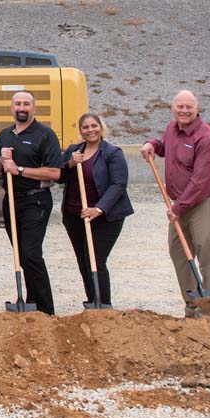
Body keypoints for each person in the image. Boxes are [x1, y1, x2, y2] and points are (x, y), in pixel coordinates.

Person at [141, 90, 210, 317]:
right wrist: (152, 144)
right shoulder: (172, 129)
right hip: (180, 205)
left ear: (197, 108)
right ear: (173, 108)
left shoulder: (208, 139)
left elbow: (201, 181)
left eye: (189, 107)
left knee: (207, 255)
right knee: (179, 253)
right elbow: (165, 146)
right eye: (180, 106)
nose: (184, 111)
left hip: (204, 204)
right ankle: (192, 306)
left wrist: (178, 208)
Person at [0, 91, 63, 315]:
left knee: (31, 254)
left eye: (26, 104)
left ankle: (46, 309)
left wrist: (19, 170)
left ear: (34, 108)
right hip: (11, 200)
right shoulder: (4, 135)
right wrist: (0, 162)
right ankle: (31, 301)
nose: (22, 108)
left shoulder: (45, 135)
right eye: (17, 104)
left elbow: (54, 172)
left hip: (36, 200)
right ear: (11, 108)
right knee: (21, 255)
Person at [60, 113, 133, 307]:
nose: (90, 130)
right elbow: (59, 175)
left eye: (94, 126)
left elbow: (118, 184)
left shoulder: (112, 152)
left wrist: (98, 209)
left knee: (95, 259)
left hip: (105, 216)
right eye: (86, 127)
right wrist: (70, 164)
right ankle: (92, 301)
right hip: (75, 214)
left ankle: (104, 305)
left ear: (101, 127)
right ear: (80, 131)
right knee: (84, 261)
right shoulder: (74, 151)